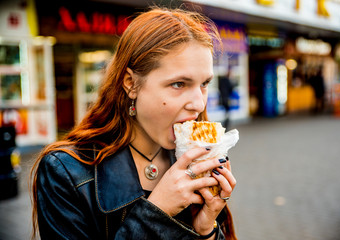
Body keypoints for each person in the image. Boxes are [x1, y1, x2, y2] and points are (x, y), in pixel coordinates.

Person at [30, 7, 237, 240]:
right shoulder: (67, 172)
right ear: (131, 83)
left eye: (204, 84)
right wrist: (158, 212)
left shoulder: (196, 163)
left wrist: (205, 230)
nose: (199, 104)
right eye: (179, 84)